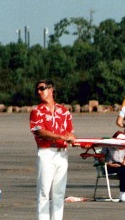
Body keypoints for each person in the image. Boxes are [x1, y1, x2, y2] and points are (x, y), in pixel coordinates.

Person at [30, 79, 76, 220]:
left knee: (59, 193)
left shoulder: (64, 111)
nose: (39, 91)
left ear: (50, 90)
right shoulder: (36, 111)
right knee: (43, 192)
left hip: (62, 155)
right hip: (46, 153)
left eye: (41, 88)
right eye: (37, 89)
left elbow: (70, 132)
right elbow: (40, 132)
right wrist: (61, 136)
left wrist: (72, 138)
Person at [99, 131, 125, 202]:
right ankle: (122, 192)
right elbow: (101, 158)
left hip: (121, 165)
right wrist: (110, 164)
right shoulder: (107, 145)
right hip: (110, 166)